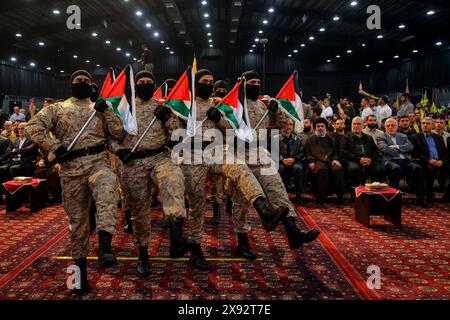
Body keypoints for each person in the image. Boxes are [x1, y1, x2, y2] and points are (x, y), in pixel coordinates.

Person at [26, 69, 125, 294]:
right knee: (77, 225)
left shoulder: (101, 108)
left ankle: (105, 247)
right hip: (71, 170)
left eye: (86, 81)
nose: (81, 82)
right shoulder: (57, 108)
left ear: (92, 86)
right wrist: (54, 146)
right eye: (77, 80)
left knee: (108, 191)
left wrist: (107, 112)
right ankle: (79, 275)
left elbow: (118, 134)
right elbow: (33, 127)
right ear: (71, 84)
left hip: (98, 162)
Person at [181, 69, 290, 270]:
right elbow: (173, 128)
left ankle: (263, 210)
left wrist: (219, 118)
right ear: (195, 84)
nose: (208, 83)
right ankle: (195, 248)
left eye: (211, 81)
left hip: (217, 152)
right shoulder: (184, 105)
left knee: (240, 169)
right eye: (204, 81)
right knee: (197, 204)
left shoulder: (219, 104)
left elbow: (231, 128)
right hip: (192, 156)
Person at [208, 69, 319, 257]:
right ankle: (243, 241)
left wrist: (276, 111)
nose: (256, 86)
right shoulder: (230, 105)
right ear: (242, 84)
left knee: (278, 190)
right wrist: (219, 118)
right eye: (252, 84)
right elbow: (227, 127)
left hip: (259, 153)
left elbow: (282, 124)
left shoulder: (263, 105)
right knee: (241, 202)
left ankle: (293, 232)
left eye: (258, 84)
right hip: (236, 153)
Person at [109, 70, 189, 277]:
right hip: (132, 164)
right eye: (141, 82)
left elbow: (179, 133)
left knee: (174, 180)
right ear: (135, 85)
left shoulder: (162, 107)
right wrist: (119, 151)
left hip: (159, 157)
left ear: (153, 85)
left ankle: (176, 234)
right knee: (139, 211)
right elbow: (109, 137)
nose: (145, 84)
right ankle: (143, 252)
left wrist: (167, 119)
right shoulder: (124, 109)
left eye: (149, 82)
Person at [377, 118, 428, 207]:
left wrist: (397, 146)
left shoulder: (403, 136)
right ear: (384, 127)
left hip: (405, 160)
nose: (390, 127)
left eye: (393, 125)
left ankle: (421, 198)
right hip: (390, 160)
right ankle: (394, 199)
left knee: (418, 168)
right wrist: (400, 150)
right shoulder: (381, 137)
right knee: (396, 168)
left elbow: (410, 147)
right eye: (388, 126)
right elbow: (384, 149)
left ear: (397, 127)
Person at [305, 117, 346, 205]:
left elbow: (336, 151)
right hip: (317, 161)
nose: (320, 128)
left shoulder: (331, 138)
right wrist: (311, 161)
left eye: (322, 126)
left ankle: (340, 196)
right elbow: (308, 152)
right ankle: (321, 198)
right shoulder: (310, 139)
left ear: (326, 128)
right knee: (322, 170)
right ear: (315, 128)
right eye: (318, 126)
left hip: (331, 160)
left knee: (338, 169)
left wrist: (335, 159)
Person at [342, 117, 386, 193]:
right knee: (354, 169)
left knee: (380, 169)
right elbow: (344, 152)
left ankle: (375, 193)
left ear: (363, 126)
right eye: (354, 124)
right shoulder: (345, 137)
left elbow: (375, 151)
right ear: (351, 125)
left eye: (358, 124)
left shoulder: (368, 138)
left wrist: (370, 159)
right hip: (353, 160)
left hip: (368, 160)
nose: (356, 126)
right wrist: (359, 159)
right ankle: (355, 194)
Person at [410, 117, 447, 204]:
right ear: (420, 125)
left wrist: (442, 161)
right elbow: (414, 153)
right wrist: (429, 160)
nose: (425, 125)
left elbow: (445, 153)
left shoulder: (438, 137)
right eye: (423, 123)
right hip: (424, 161)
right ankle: (428, 195)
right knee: (429, 170)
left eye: (428, 123)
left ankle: (447, 197)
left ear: (433, 126)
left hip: (439, 161)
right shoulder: (415, 137)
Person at [278, 118, 306, 203]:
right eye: (286, 124)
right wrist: (282, 160)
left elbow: (302, 152)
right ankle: (281, 196)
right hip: (280, 162)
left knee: (298, 168)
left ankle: (299, 195)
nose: (288, 126)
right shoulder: (275, 137)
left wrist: (294, 159)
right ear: (282, 125)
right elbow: (271, 152)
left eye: (291, 124)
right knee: (280, 169)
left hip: (294, 162)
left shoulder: (297, 139)